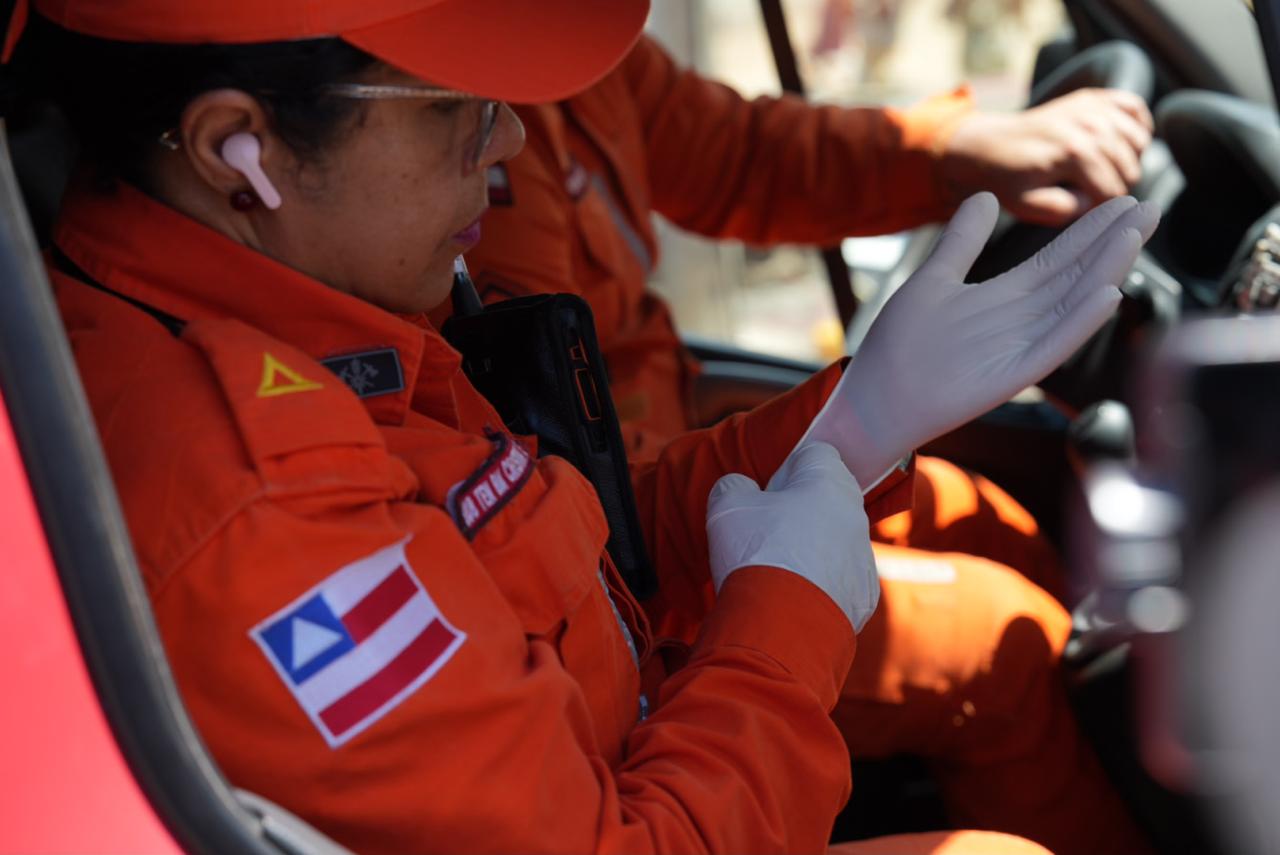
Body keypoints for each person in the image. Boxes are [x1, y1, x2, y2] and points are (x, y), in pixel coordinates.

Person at [20, 0, 1150, 852]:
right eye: (453, 109)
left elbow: (569, 547)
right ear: (240, 148)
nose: (508, 140)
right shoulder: (257, 511)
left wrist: (850, 426)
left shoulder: (311, 311)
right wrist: (786, 614)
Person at [458, 34, 1158, 853]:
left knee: (986, 517)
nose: (502, 134)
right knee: (1001, 640)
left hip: (636, 513)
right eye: (443, 111)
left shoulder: (578, 38)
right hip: (627, 590)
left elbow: (735, 153)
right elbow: (564, 494)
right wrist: (785, 589)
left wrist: (952, 151)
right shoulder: (445, 203)